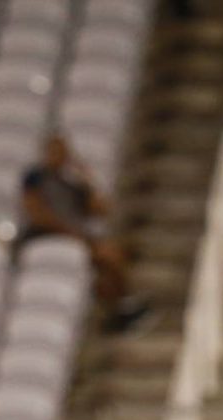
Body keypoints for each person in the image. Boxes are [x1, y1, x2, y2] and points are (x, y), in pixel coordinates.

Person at [18, 133, 151, 333]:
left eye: (63, 152)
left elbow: (102, 210)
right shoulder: (35, 178)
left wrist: (85, 177)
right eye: (54, 151)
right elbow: (38, 214)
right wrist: (71, 234)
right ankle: (120, 308)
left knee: (113, 256)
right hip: (45, 235)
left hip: (76, 236)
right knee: (106, 255)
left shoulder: (72, 181)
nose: (59, 156)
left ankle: (118, 308)